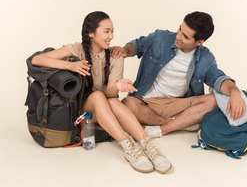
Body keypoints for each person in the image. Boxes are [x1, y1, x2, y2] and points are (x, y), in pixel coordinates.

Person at [32, 11, 171, 174]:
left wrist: (118, 86)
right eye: (106, 31)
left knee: (112, 101)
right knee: (98, 96)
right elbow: (37, 60)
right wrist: (71, 66)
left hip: (104, 110)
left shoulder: (115, 56)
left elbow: (110, 94)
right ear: (91, 33)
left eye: (112, 31)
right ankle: (129, 147)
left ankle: (148, 147)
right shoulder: (76, 49)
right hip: (79, 116)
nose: (111, 36)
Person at [110, 11, 246, 138]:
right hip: (146, 102)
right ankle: (179, 123)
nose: (178, 36)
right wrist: (125, 51)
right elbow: (137, 45)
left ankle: (162, 129)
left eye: (185, 36)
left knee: (215, 100)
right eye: (180, 29)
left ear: (199, 42)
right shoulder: (160, 38)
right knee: (127, 104)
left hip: (177, 104)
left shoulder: (206, 58)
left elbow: (219, 79)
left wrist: (235, 93)